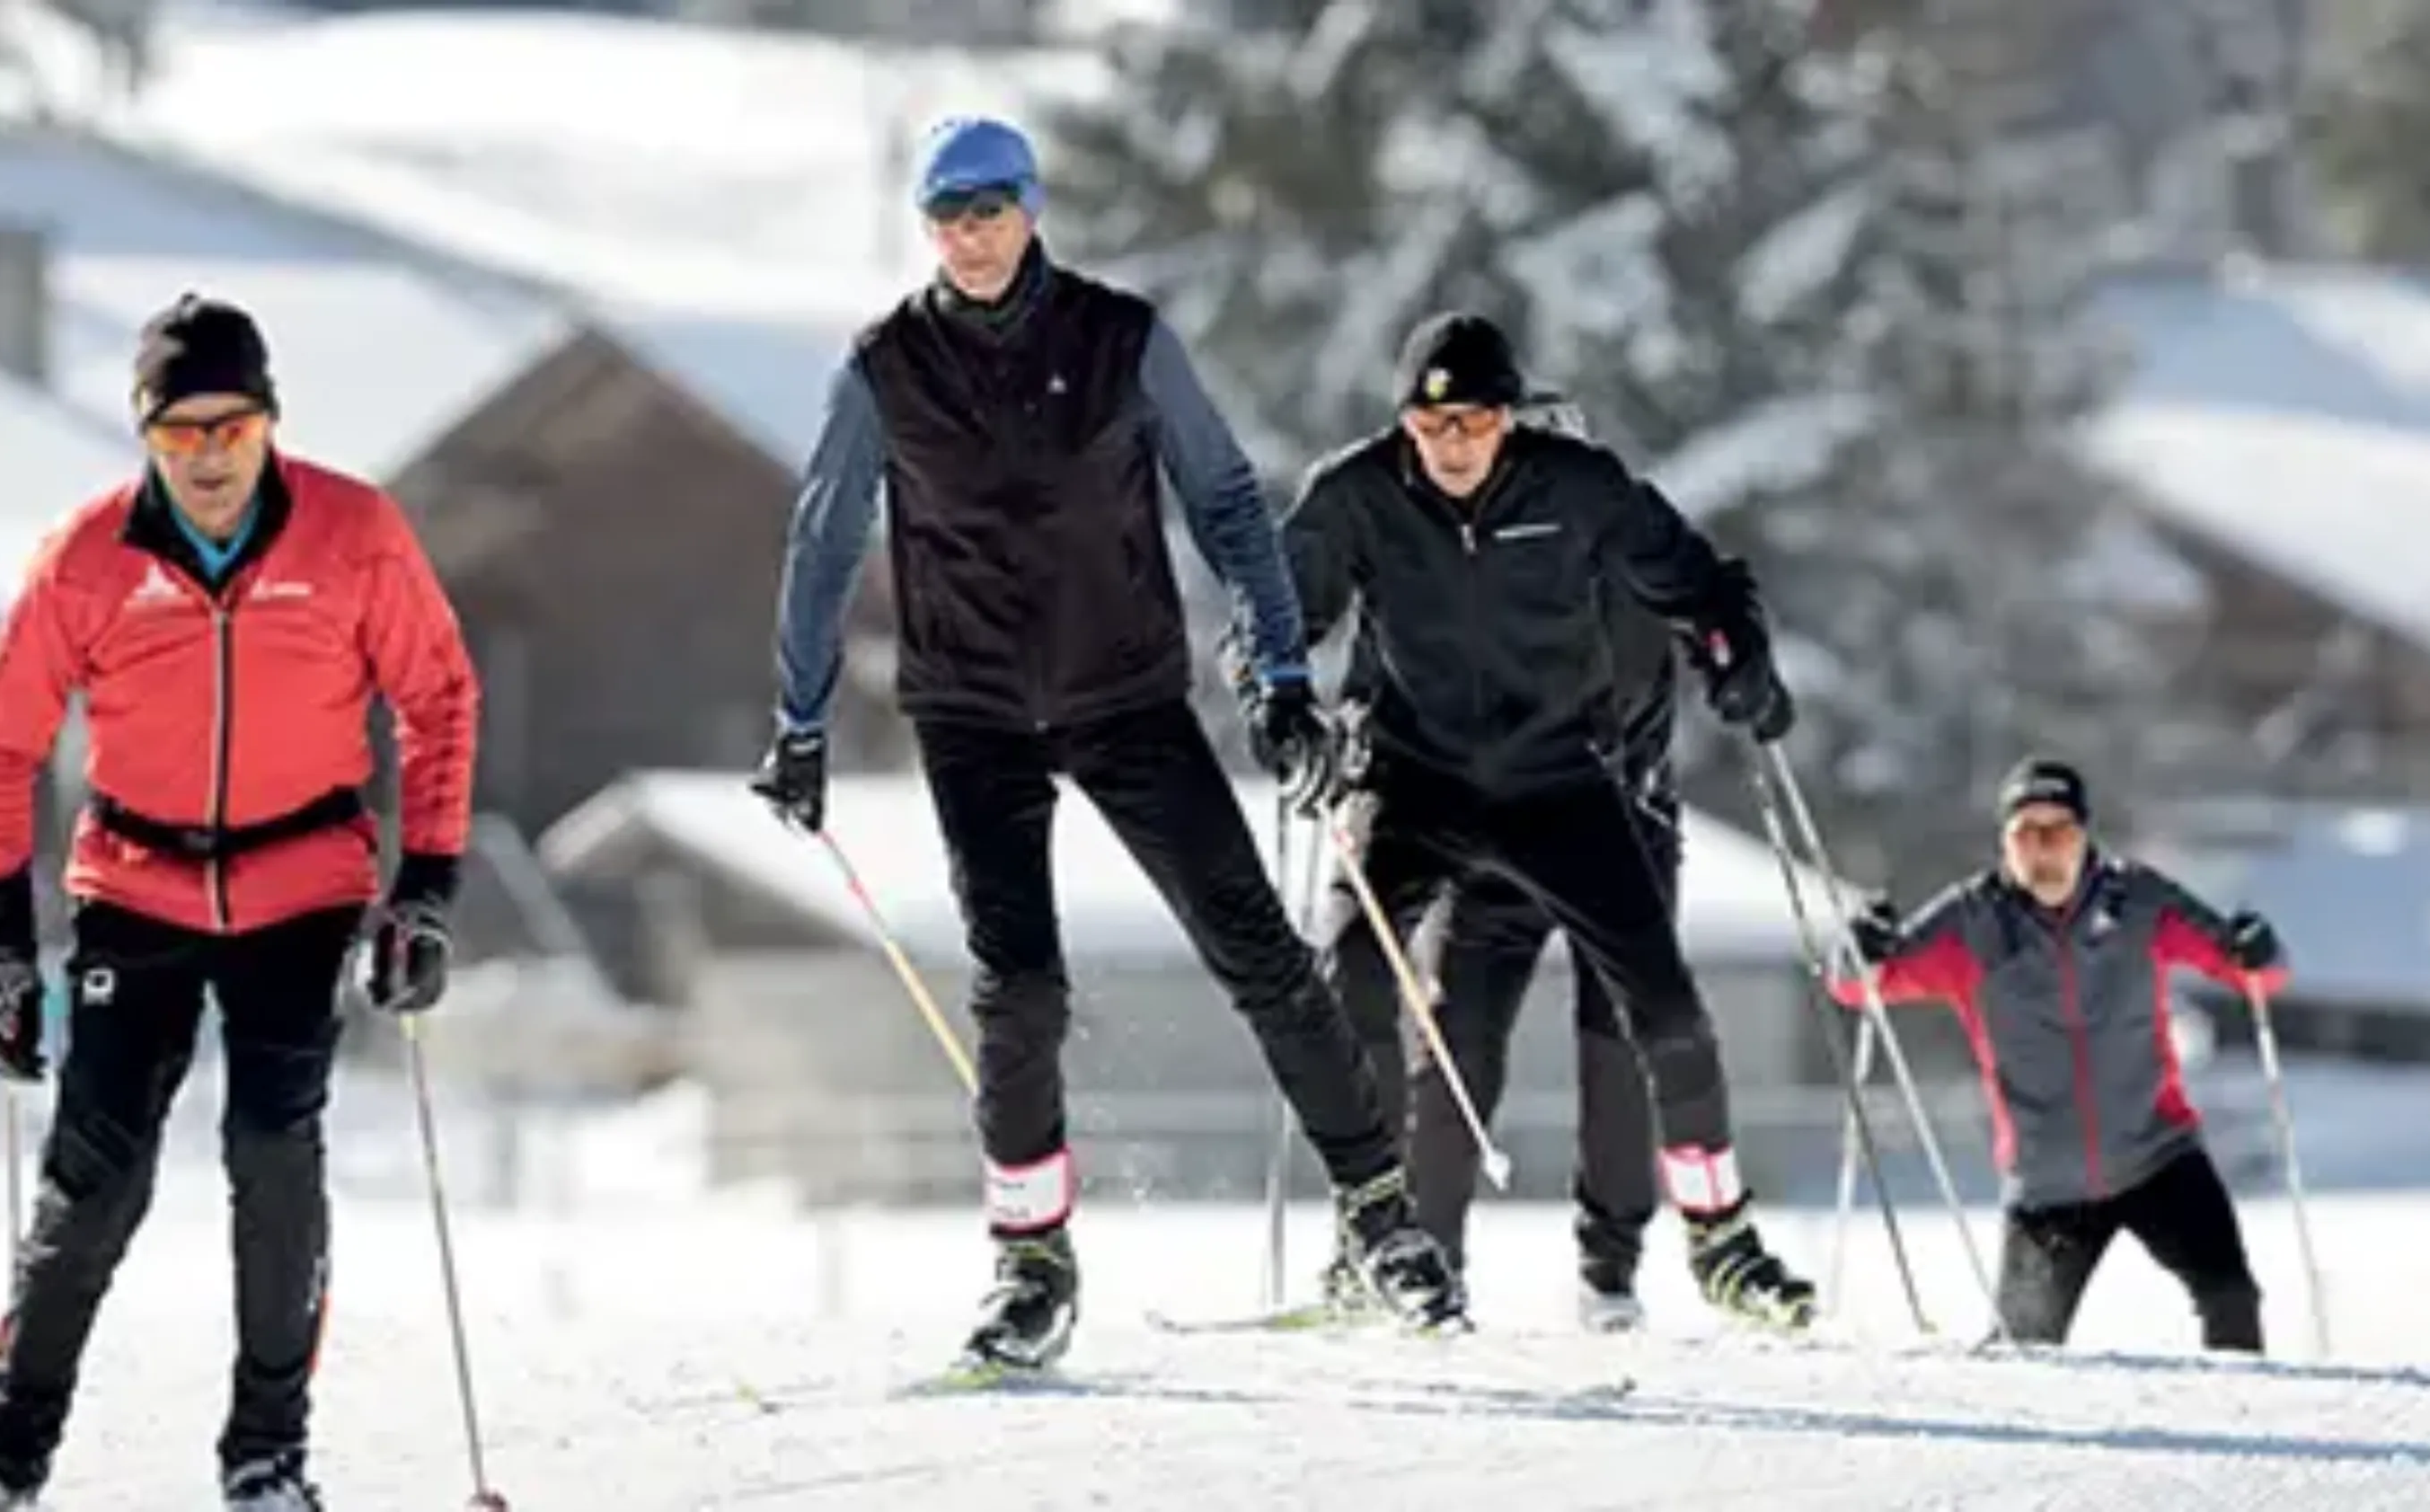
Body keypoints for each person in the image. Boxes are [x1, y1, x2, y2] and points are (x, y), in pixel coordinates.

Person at [748, 116, 1461, 1371]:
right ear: (928, 228)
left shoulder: (1122, 339)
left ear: (1031, 209)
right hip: (971, 713)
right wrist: (798, 717)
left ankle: (1384, 1218)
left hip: (1126, 694)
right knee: (1018, 985)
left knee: (1259, 950)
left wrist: (1284, 668)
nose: (970, 238)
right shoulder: (884, 368)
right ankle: (1031, 1260)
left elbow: (1229, 500)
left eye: (990, 211)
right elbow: (821, 542)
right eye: (947, 218)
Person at [0, 295, 482, 1512]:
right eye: (181, 434)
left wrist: (426, 889)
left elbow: (441, 696)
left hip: (300, 884)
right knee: (94, 1175)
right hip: (137, 886)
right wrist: (4, 950)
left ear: (271, 422)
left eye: (233, 425)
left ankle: (265, 1455)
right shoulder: (87, 555)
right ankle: (5, 1451)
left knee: (273, 1150)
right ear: (145, 436)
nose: (210, 456)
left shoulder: (354, 533)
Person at [1278, 310, 1816, 1331]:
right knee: (1357, 973)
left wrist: (1735, 651)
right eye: (1431, 428)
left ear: (1512, 421)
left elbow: (1699, 583)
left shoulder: (1579, 495)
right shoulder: (1357, 494)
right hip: (1416, 785)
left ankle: (1718, 1237)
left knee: (1662, 1011)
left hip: (1560, 789)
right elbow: (1279, 614)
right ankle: (1385, 1239)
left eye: (1475, 423)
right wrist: (1278, 696)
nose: (1453, 448)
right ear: (1403, 421)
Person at [1320, 553, 1688, 1332]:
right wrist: (1356, 755)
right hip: (1482, 866)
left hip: (1612, 842)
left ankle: (1609, 1265)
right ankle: (1422, 1255)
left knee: (1617, 1038)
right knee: (1453, 1044)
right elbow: (1369, 685)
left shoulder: (1623, 579)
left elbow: (1627, 710)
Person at [1840, 756, 2287, 1352]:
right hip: (2047, 1184)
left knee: (2231, 1296)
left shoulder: (2138, 900)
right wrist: (1859, 945)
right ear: (2005, 844)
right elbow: (1865, 982)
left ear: (2085, 837)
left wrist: (2258, 949)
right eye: (2028, 833)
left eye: (2060, 831)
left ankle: (2246, 1426)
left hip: (2159, 1155)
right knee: (2024, 1350)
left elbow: (2249, 969)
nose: (2044, 849)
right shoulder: (1973, 920)